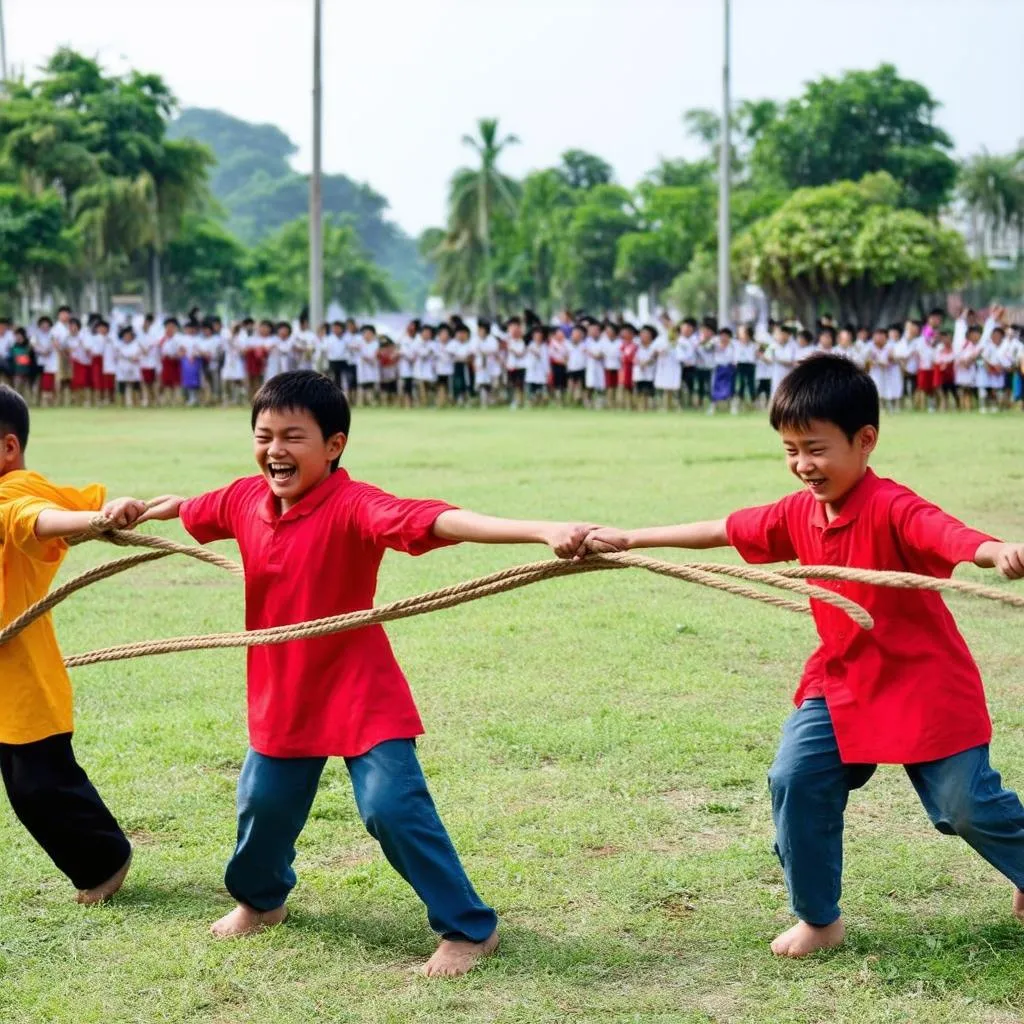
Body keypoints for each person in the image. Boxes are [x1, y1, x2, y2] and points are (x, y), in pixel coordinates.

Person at [137, 370, 590, 975]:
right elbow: (187, 506)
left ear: (334, 445)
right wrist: (135, 511)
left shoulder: (355, 504)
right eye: (264, 435)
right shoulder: (245, 498)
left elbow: (435, 519)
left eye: (294, 437)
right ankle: (261, 901)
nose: (275, 450)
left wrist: (542, 529)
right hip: (284, 688)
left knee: (391, 806)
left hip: (357, 687)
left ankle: (468, 928)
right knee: (262, 806)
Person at [582, 354, 1024, 958]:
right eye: (790, 450)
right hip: (840, 683)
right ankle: (818, 917)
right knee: (796, 778)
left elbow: (944, 533)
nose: (802, 466)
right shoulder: (798, 512)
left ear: (865, 440)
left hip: (925, 684)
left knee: (963, 806)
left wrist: (993, 549)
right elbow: (723, 529)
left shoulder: (893, 506)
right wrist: (631, 538)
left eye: (814, 449)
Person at [0, 385, 144, 905]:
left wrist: (98, 522)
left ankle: (106, 859)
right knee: (31, 783)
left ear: (8, 448)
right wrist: (99, 513)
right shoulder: (24, 486)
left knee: (39, 787)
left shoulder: (11, 495)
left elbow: (37, 519)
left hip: (22, 679)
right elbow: (69, 502)